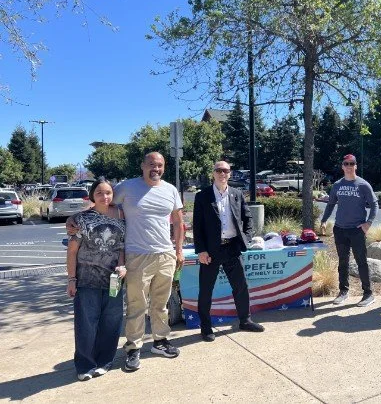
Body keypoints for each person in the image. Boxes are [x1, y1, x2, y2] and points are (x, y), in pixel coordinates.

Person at [67, 152, 184, 372]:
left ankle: (160, 341)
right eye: (151, 164)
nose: (155, 168)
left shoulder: (170, 190)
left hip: (165, 254)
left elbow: (178, 222)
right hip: (137, 255)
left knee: (160, 304)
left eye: (159, 165)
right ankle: (133, 348)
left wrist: (178, 250)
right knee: (137, 305)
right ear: (142, 166)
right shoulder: (127, 187)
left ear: (164, 167)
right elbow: (102, 200)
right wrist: (73, 218)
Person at [193, 160, 265, 342]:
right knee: (206, 290)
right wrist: (201, 250)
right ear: (213, 173)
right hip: (211, 251)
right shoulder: (202, 196)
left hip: (232, 247)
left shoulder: (236, 194)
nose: (222, 173)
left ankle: (245, 320)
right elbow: (198, 226)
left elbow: (247, 218)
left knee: (240, 286)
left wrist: (246, 239)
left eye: (225, 170)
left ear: (230, 174)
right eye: (218, 170)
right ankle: (206, 326)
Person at [66, 177, 126, 381]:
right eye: (99, 192)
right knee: (86, 324)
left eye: (108, 192)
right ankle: (85, 365)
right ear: (92, 195)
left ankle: (105, 362)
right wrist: (71, 279)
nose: (104, 196)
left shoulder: (120, 215)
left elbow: (121, 247)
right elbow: (72, 251)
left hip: (113, 280)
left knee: (111, 322)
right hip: (86, 279)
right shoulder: (81, 219)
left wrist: (122, 265)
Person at [320, 154, 378, 307]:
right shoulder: (337, 185)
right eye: (346, 163)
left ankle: (368, 293)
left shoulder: (363, 184)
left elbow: (374, 204)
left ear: (356, 166)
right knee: (343, 262)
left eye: (352, 163)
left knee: (361, 262)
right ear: (342, 166)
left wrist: (368, 223)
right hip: (340, 229)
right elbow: (331, 204)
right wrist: (324, 220)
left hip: (357, 230)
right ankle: (343, 291)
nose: (349, 166)